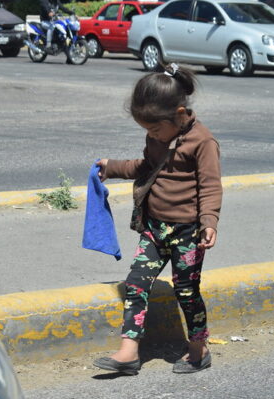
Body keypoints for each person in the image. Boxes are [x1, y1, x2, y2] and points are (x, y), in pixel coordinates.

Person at [93, 63, 222, 375]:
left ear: (179, 114)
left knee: (186, 290)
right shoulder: (158, 138)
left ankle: (198, 347)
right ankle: (128, 351)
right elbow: (146, 167)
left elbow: (210, 185)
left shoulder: (203, 142)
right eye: (147, 131)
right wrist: (112, 167)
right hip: (154, 227)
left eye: (154, 130)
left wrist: (209, 222)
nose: (151, 136)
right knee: (136, 284)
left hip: (188, 232)